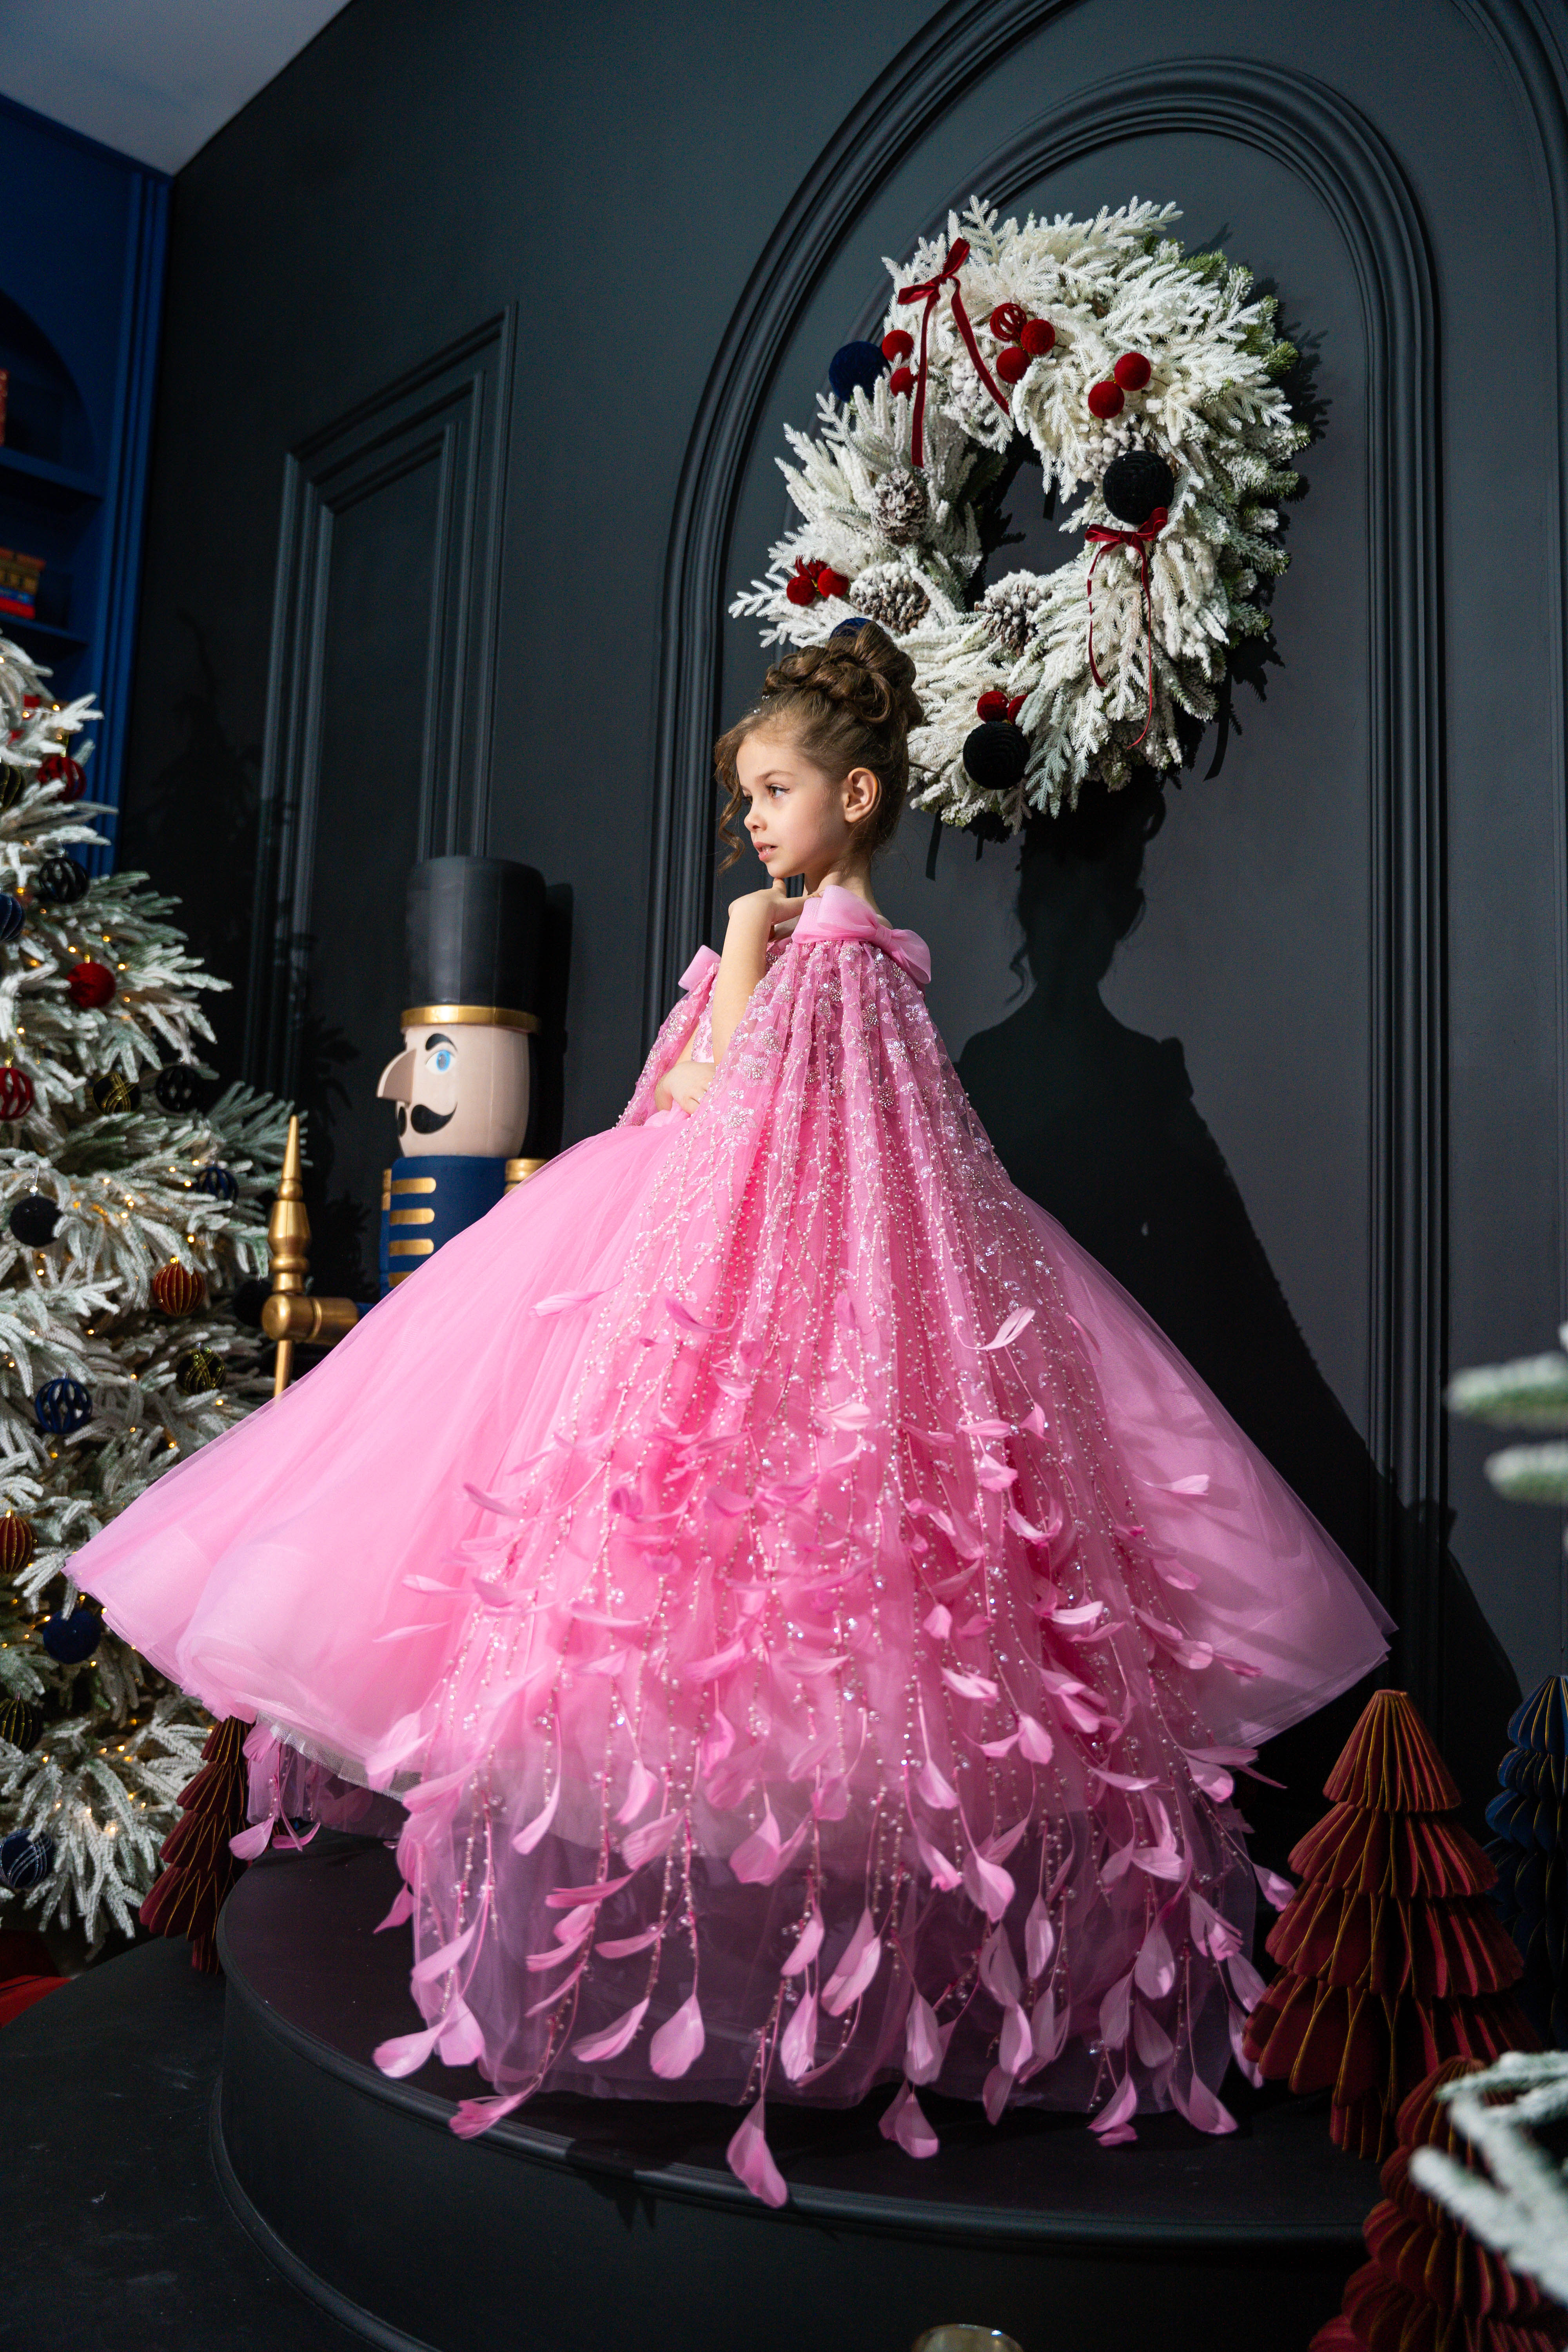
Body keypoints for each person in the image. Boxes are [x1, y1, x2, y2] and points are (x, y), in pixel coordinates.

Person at [72, 621, 1390, 2203]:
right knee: (766, 1629)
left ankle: (767, 1979)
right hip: (798, 1256)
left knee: (750, 1622)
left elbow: (732, 1105)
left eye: (776, 791)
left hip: (780, 1269)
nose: (754, 819)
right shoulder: (856, 953)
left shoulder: (824, 946)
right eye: (747, 795)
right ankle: (775, 1965)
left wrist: (739, 954)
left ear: (856, 794)